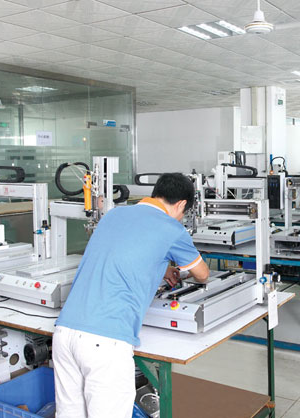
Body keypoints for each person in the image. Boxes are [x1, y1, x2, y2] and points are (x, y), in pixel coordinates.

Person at [52, 173, 209, 418]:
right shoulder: (172, 228)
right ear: (181, 204)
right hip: (105, 342)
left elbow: (121, 250)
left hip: (64, 333)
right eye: (183, 213)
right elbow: (202, 274)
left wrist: (161, 267)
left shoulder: (114, 215)